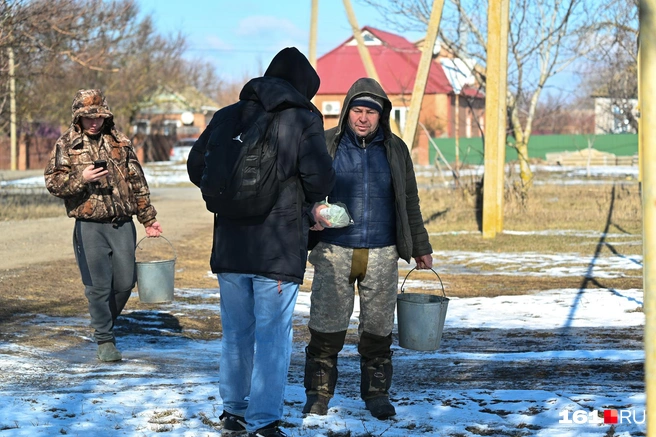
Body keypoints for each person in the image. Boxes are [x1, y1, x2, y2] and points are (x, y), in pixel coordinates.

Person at [187, 47, 335, 437]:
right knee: (272, 337)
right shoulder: (303, 118)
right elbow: (320, 181)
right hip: (278, 248)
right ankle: (264, 422)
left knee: (236, 334)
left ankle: (233, 413)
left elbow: (195, 167)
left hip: (231, 247)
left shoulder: (226, 116)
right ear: (303, 86)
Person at [302, 77, 434, 420]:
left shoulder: (395, 149)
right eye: (357, 110)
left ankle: (377, 394)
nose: (363, 118)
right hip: (334, 251)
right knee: (326, 327)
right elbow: (304, 192)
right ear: (347, 112)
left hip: (382, 252)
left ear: (381, 115)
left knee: (377, 328)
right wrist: (311, 214)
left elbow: (409, 201)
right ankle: (318, 393)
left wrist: (420, 245)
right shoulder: (325, 144)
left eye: (370, 112)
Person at [44, 89, 162, 363]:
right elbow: (53, 183)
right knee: (98, 287)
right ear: (78, 118)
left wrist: (148, 218)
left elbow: (137, 182)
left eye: (98, 116)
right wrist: (81, 177)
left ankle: (102, 320)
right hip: (89, 226)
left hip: (122, 223)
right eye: (88, 118)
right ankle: (105, 339)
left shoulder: (120, 141)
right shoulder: (66, 144)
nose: (94, 122)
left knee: (124, 282)